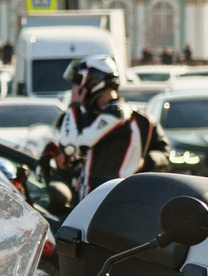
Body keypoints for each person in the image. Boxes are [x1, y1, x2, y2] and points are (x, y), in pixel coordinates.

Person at [49, 54, 157, 201]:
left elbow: (74, 144)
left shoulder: (117, 113)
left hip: (111, 200)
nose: (75, 88)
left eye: (79, 82)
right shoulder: (91, 115)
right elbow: (71, 151)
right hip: (95, 198)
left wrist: (74, 105)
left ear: (95, 81)